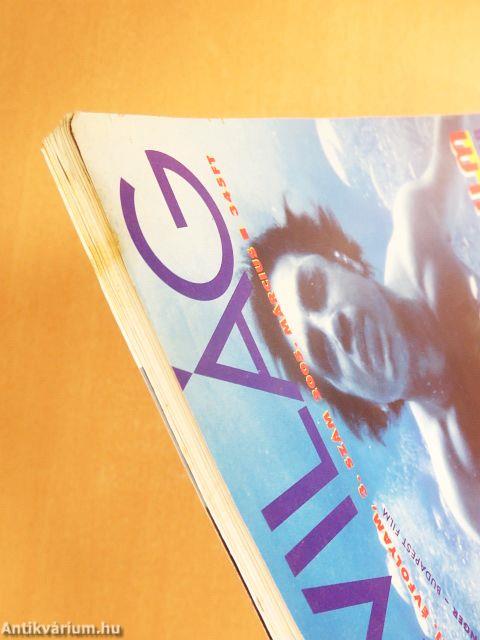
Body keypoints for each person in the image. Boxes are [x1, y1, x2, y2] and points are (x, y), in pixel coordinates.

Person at [250, 116, 480, 540]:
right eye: (323, 352)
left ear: (344, 261)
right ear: (355, 396)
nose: (335, 329)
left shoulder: (420, 236)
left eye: (315, 288)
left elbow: (459, 125)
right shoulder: (468, 483)